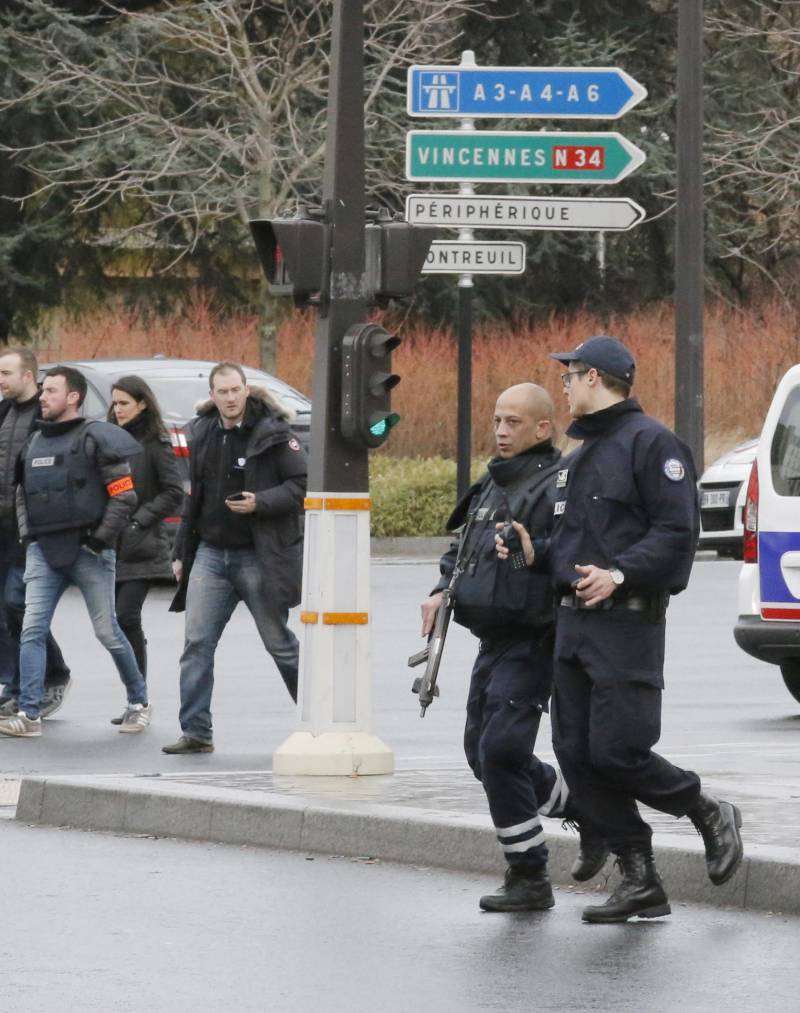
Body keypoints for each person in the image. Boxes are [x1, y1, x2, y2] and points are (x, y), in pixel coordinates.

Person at [501, 335, 743, 923]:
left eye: (569, 375)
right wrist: (537, 553)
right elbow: (577, 544)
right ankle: (640, 880)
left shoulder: (652, 444)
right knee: (577, 757)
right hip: (574, 628)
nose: (562, 385)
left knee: (618, 751)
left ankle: (706, 807)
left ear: (596, 379)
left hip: (627, 628)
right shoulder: (577, 456)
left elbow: (676, 534)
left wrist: (619, 574)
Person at [420, 383, 605, 912]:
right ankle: (589, 812)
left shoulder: (558, 485)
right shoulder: (493, 482)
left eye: (513, 423)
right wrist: (440, 590)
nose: (501, 431)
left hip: (536, 638)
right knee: (484, 754)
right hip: (493, 639)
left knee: (500, 751)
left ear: (543, 428)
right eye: (497, 421)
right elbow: (462, 547)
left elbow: (570, 554)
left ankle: (528, 876)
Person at [163, 360, 307, 755]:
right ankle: (195, 732)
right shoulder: (203, 432)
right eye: (222, 392)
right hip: (210, 554)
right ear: (212, 396)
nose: (230, 398)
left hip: (257, 555)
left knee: (279, 644)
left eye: (235, 390)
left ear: (247, 391)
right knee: (196, 645)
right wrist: (180, 553)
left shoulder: (274, 434)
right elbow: (195, 499)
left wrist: (260, 502)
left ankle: (316, 720)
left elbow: (300, 486)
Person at [0, 365, 151, 738]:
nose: (43, 397)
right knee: (32, 629)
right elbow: (22, 494)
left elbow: (125, 495)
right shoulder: (34, 442)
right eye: (43, 390)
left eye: (51, 391)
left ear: (73, 398)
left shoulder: (96, 438)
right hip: (43, 550)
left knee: (107, 631)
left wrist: (99, 541)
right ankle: (30, 714)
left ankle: (138, 701)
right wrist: (28, 536)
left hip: (90, 552)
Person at [107, 375, 184, 724]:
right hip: (109, 545)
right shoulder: (108, 438)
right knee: (113, 625)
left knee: (126, 617)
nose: (117, 409)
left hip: (141, 545)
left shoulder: (155, 443)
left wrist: (139, 520)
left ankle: (139, 701)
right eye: (114, 402)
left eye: (123, 403)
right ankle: (132, 699)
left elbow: (173, 492)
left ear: (141, 404)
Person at [0, 347, 73, 719]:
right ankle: (13, 686)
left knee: (19, 606)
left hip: (27, 530)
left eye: (6, 373)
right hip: (1, 527)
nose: (0, 380)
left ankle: (54, 675)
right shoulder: (3, 412)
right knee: (5, 612)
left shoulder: (44, 417)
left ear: (28, 376)